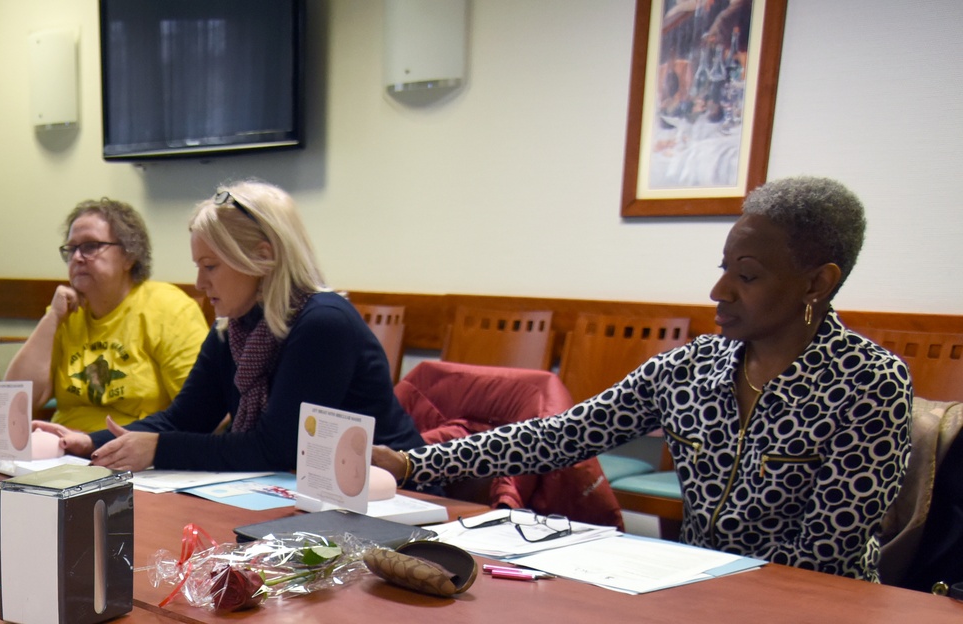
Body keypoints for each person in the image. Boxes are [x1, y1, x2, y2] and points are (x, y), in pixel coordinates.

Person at [374, 176, 913, 582]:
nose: (719, 291)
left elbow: (823, 554)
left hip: (810, 604)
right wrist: (413, 461)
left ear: (817, 282)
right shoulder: (692, 367)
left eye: (746, 276)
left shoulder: (871, 384)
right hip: (697, 586)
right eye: (723, 268)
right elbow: (562, 434)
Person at [35, 180, 427, 475]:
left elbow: (278, 449)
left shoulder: (324, 323)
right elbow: (182, 419)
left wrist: (159, 450)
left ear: (262, 257)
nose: (201, 285)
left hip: (394, 496)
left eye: (210, 266)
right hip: (311, 493)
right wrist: (89, 443)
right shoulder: (234, 329)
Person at [6, 198, 209, 431]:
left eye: (90, 246)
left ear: (129, 256)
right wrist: (51, 319)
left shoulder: (170, 309)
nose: (77, 257)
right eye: (71, 249)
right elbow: (14, 401)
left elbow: (204, 412)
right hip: (63, 449)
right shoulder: (65, 313)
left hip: (134, 452)